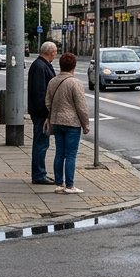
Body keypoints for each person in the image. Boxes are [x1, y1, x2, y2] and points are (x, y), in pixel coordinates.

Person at [45, 52, 90, 195]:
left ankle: (59, 183)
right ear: (74, 66)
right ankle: (70, 185)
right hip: (72, 123)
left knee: (59, 153)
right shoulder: (75, 83)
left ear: (61, 65)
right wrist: (86, 124)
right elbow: (81, 106)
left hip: (56, 122)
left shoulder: (53, 81)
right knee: (71, 154)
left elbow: (47, 102)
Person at [27, 41, 58, 185]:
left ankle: (40, 173)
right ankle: (39, 175)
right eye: (55, 51)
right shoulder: (40, 67)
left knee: (42, 143)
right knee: (41, 144)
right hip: (41, 114)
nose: (56, 54)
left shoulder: (41, 65)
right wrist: (46, 114)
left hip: (40, 112)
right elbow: (40, 93)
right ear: (50, 52)